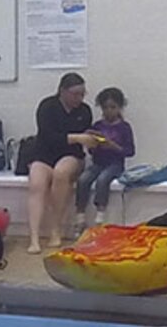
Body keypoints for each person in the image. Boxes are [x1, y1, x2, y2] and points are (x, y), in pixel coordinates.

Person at [25, 72, 96, 253]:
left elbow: (82, 142)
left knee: (61, 172)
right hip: (45, 153)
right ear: (62, 91)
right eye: (75, 94)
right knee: (37, 183)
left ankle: (55, 228)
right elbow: (48, 136)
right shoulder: (47, 106)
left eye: (82, 94)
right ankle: (34, 237)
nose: (79, 98)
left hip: (71, 155)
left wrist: (90, 140)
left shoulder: (84, 111)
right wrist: (77, 137)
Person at [75, 87, 135, 228]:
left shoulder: (124, 127)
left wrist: (113, 146)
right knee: (83, 179)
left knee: (103, 179)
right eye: (105, 107)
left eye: (113, 107)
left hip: (115, 164)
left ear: (120, 107)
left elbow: (130, 151)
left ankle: (100, 217)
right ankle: (80, 216)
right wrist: (93, 145)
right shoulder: (98, 126)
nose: (109, 111)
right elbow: (91, 151)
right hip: (98, 162)